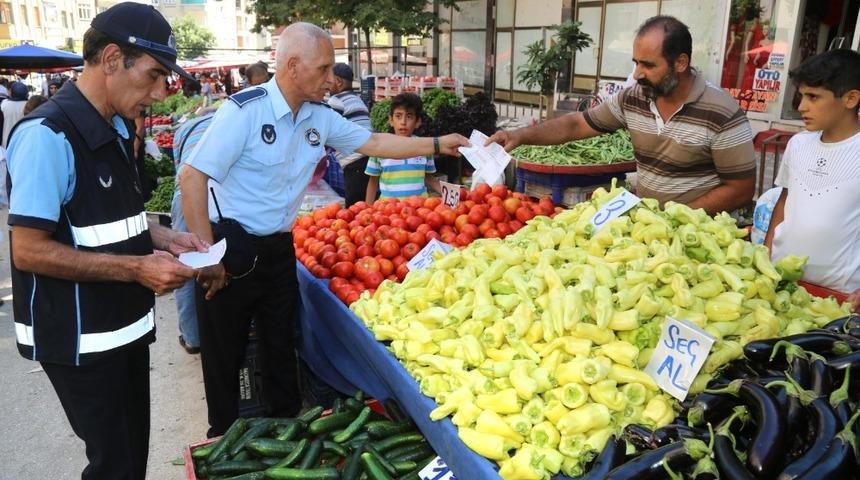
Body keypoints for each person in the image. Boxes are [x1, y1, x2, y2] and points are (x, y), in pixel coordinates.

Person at [179, 22, 468, 437]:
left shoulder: (320, 117)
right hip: (233, 245)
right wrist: (207, 256)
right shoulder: (244, 111)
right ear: (293, 66)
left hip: (280, 246)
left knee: (282, 342)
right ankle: (222, 435)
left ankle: (286, 429)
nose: (332, 79)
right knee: (226, 350)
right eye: (325, 68)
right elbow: (192, 177)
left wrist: (438, 144)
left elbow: (377, 144)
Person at [5, 3, 206, 478]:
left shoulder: (114, 126)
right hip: (79, 337)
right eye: (155, 76)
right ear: (112, 58)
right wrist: (137, 268)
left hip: (120, 329)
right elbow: (28, 249)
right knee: (115, 465)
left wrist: (165, 236)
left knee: (130, 458)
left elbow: (104, 217)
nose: (159, 93)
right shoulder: (46, 135)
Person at [487, 16, 756, 215]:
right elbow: (575, 123)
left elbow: (741, 189)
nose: (637, 74)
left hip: (701, 235)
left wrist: (677, 218)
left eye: (648, 65)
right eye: (636, 63)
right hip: (649, 228)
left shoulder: (722, 112)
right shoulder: (634, 97)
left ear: (681, 63)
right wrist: (519, 135)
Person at [764, 49, 860, 311]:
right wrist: (764, 256)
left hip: (838, 296)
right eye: (802, 95)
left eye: (813, 97)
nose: (801, 107)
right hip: (780, 282)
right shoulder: (798, 144)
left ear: (851, 98)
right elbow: (784, 202)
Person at [365, 93, 440, 203]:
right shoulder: (380, 148)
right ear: (391, 120)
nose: (403, 122)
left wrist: (452, 193)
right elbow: (373, 181)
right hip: (388, 211)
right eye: (398, 116)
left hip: (419, 210)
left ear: (417, 122)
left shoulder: (425, 147)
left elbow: (428, 177)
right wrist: (368, 208)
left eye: (409, 116)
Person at [327, 62, 372, 206]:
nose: (326, 83)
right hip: (368, 158)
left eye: (329, 79)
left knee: (354, 208)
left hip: (354, 162)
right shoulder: (357, 99)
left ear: (339, 82)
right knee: (365, 204)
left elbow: (327, 130)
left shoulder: (336, 100)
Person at [1, 81, 29, 146]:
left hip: (6, 141)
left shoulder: (4, 104)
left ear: (12, 92)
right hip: (24, 141)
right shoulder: (29, 105)